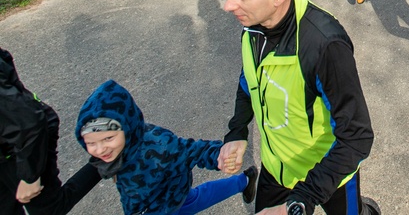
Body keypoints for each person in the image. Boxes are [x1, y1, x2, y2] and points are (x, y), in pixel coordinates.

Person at [218, 0, 379, 215]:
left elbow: (357, 137)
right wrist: (237, 130)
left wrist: (302, 199)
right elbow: (249, 80)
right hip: (276, 168)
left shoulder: (325, 44)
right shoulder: (253, 27)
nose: (227, 6)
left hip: (329, 173)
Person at [76, 80, 258, 215]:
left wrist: (222, 155)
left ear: (127, 127)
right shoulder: (115, 150)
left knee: (197, 199)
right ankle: (245, 181)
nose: (100, 150)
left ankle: (244, 181)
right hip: (154, 204)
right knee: (197, 199)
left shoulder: (158, 145)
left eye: (108, 138)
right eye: (91, 143)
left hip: (170, 202)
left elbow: (192, 151)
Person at [1, 47, 100, 215]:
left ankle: (113, 156)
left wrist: (29, 177)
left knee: (48, 209)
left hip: (26, 141)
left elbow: (28, 123)